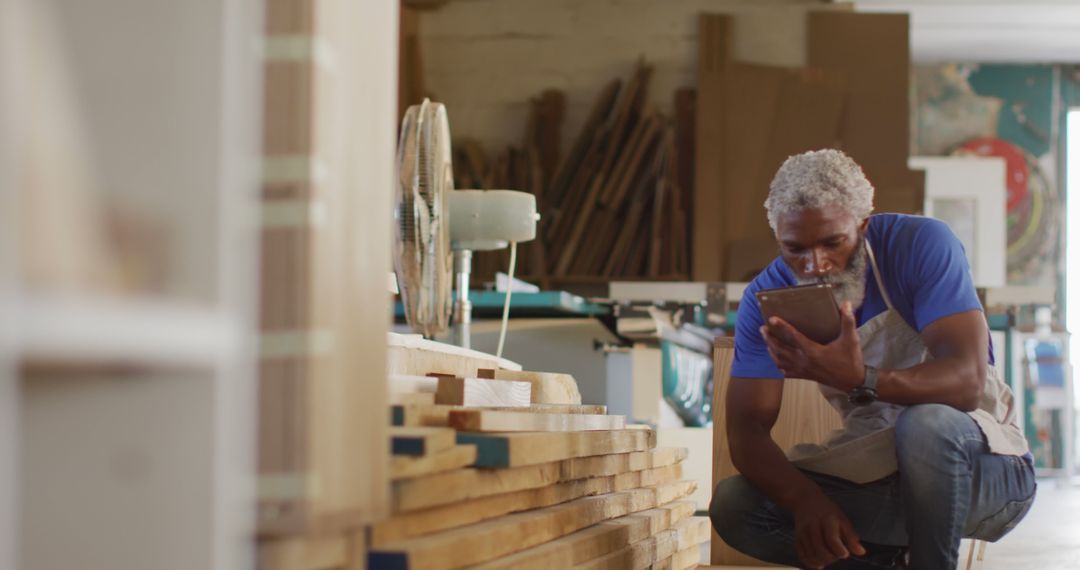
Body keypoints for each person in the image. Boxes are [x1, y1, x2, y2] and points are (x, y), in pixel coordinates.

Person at [708, 149, 1036, 569]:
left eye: (833, 242)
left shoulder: (920, 244)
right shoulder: (765, 298)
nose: (816, 265)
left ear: (862, 226)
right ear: (778, 239)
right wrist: (806, 501)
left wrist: (862, 378)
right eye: (795, 249)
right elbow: (747, 432)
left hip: (984, 471)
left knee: (925, 424)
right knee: (738, 505)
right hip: (880, 473)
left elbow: (967, 383)